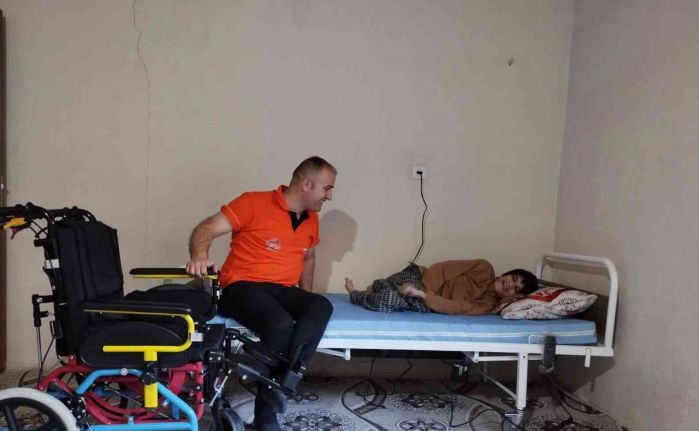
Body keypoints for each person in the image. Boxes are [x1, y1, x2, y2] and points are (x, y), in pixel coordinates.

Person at [186, 156, 336, 431]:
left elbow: (309, 258)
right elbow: (205, 228)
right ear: (306, 184)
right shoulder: (253, 203)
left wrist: (305, 299)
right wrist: (199, 256)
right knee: (280, 323)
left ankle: (283, 381)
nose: (329, 195)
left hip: (282, 290)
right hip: (241, 287)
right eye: (326, 188)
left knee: (320, 306)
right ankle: (266, 415)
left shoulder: (312, 219)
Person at [345, 259, 538, 315]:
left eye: (515, 289)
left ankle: (355, 295)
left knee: (390, 299)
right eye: (513, 278)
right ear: (507, 274)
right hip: (420, 277)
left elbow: (456, 307)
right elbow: (443, 269)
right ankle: (374, 290)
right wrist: (421, 289)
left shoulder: (487, 306)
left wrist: (421, 296)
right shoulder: (483, 268)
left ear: (514, 297)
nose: (510, 285)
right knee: (384, 285)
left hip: (425, 301)